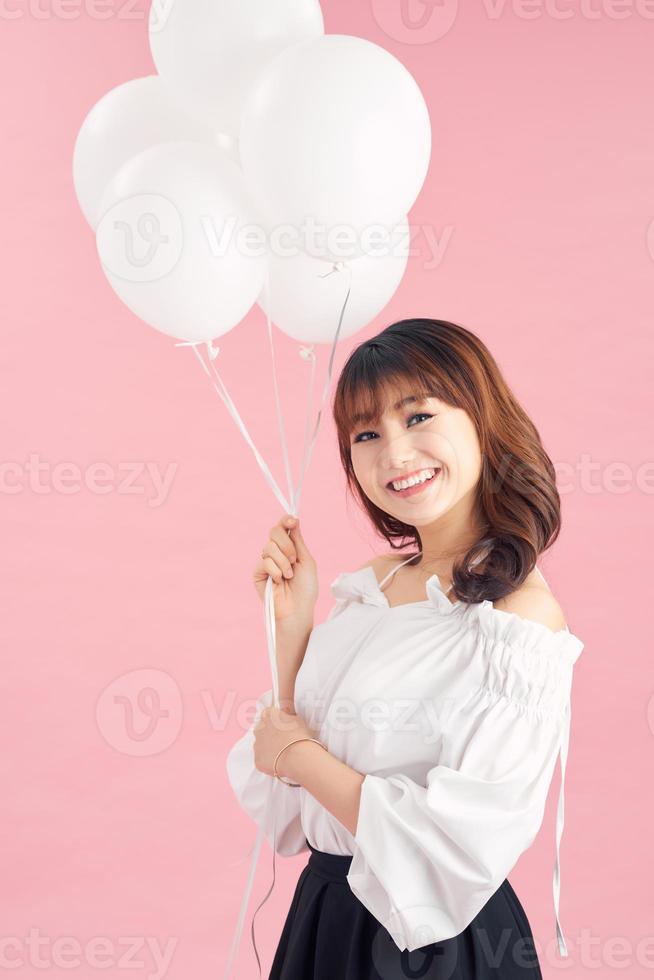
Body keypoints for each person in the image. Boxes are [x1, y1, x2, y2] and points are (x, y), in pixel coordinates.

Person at [225, 318, 585, 979]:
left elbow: (461, 841)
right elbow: (292, 805)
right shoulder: (374, 589)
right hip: (327, 917)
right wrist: (293, 626)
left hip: (433, 947)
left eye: (418, 417)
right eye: (366, 434)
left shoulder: (517, 618)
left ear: (482, 419)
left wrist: (298, 757)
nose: (393, 454)